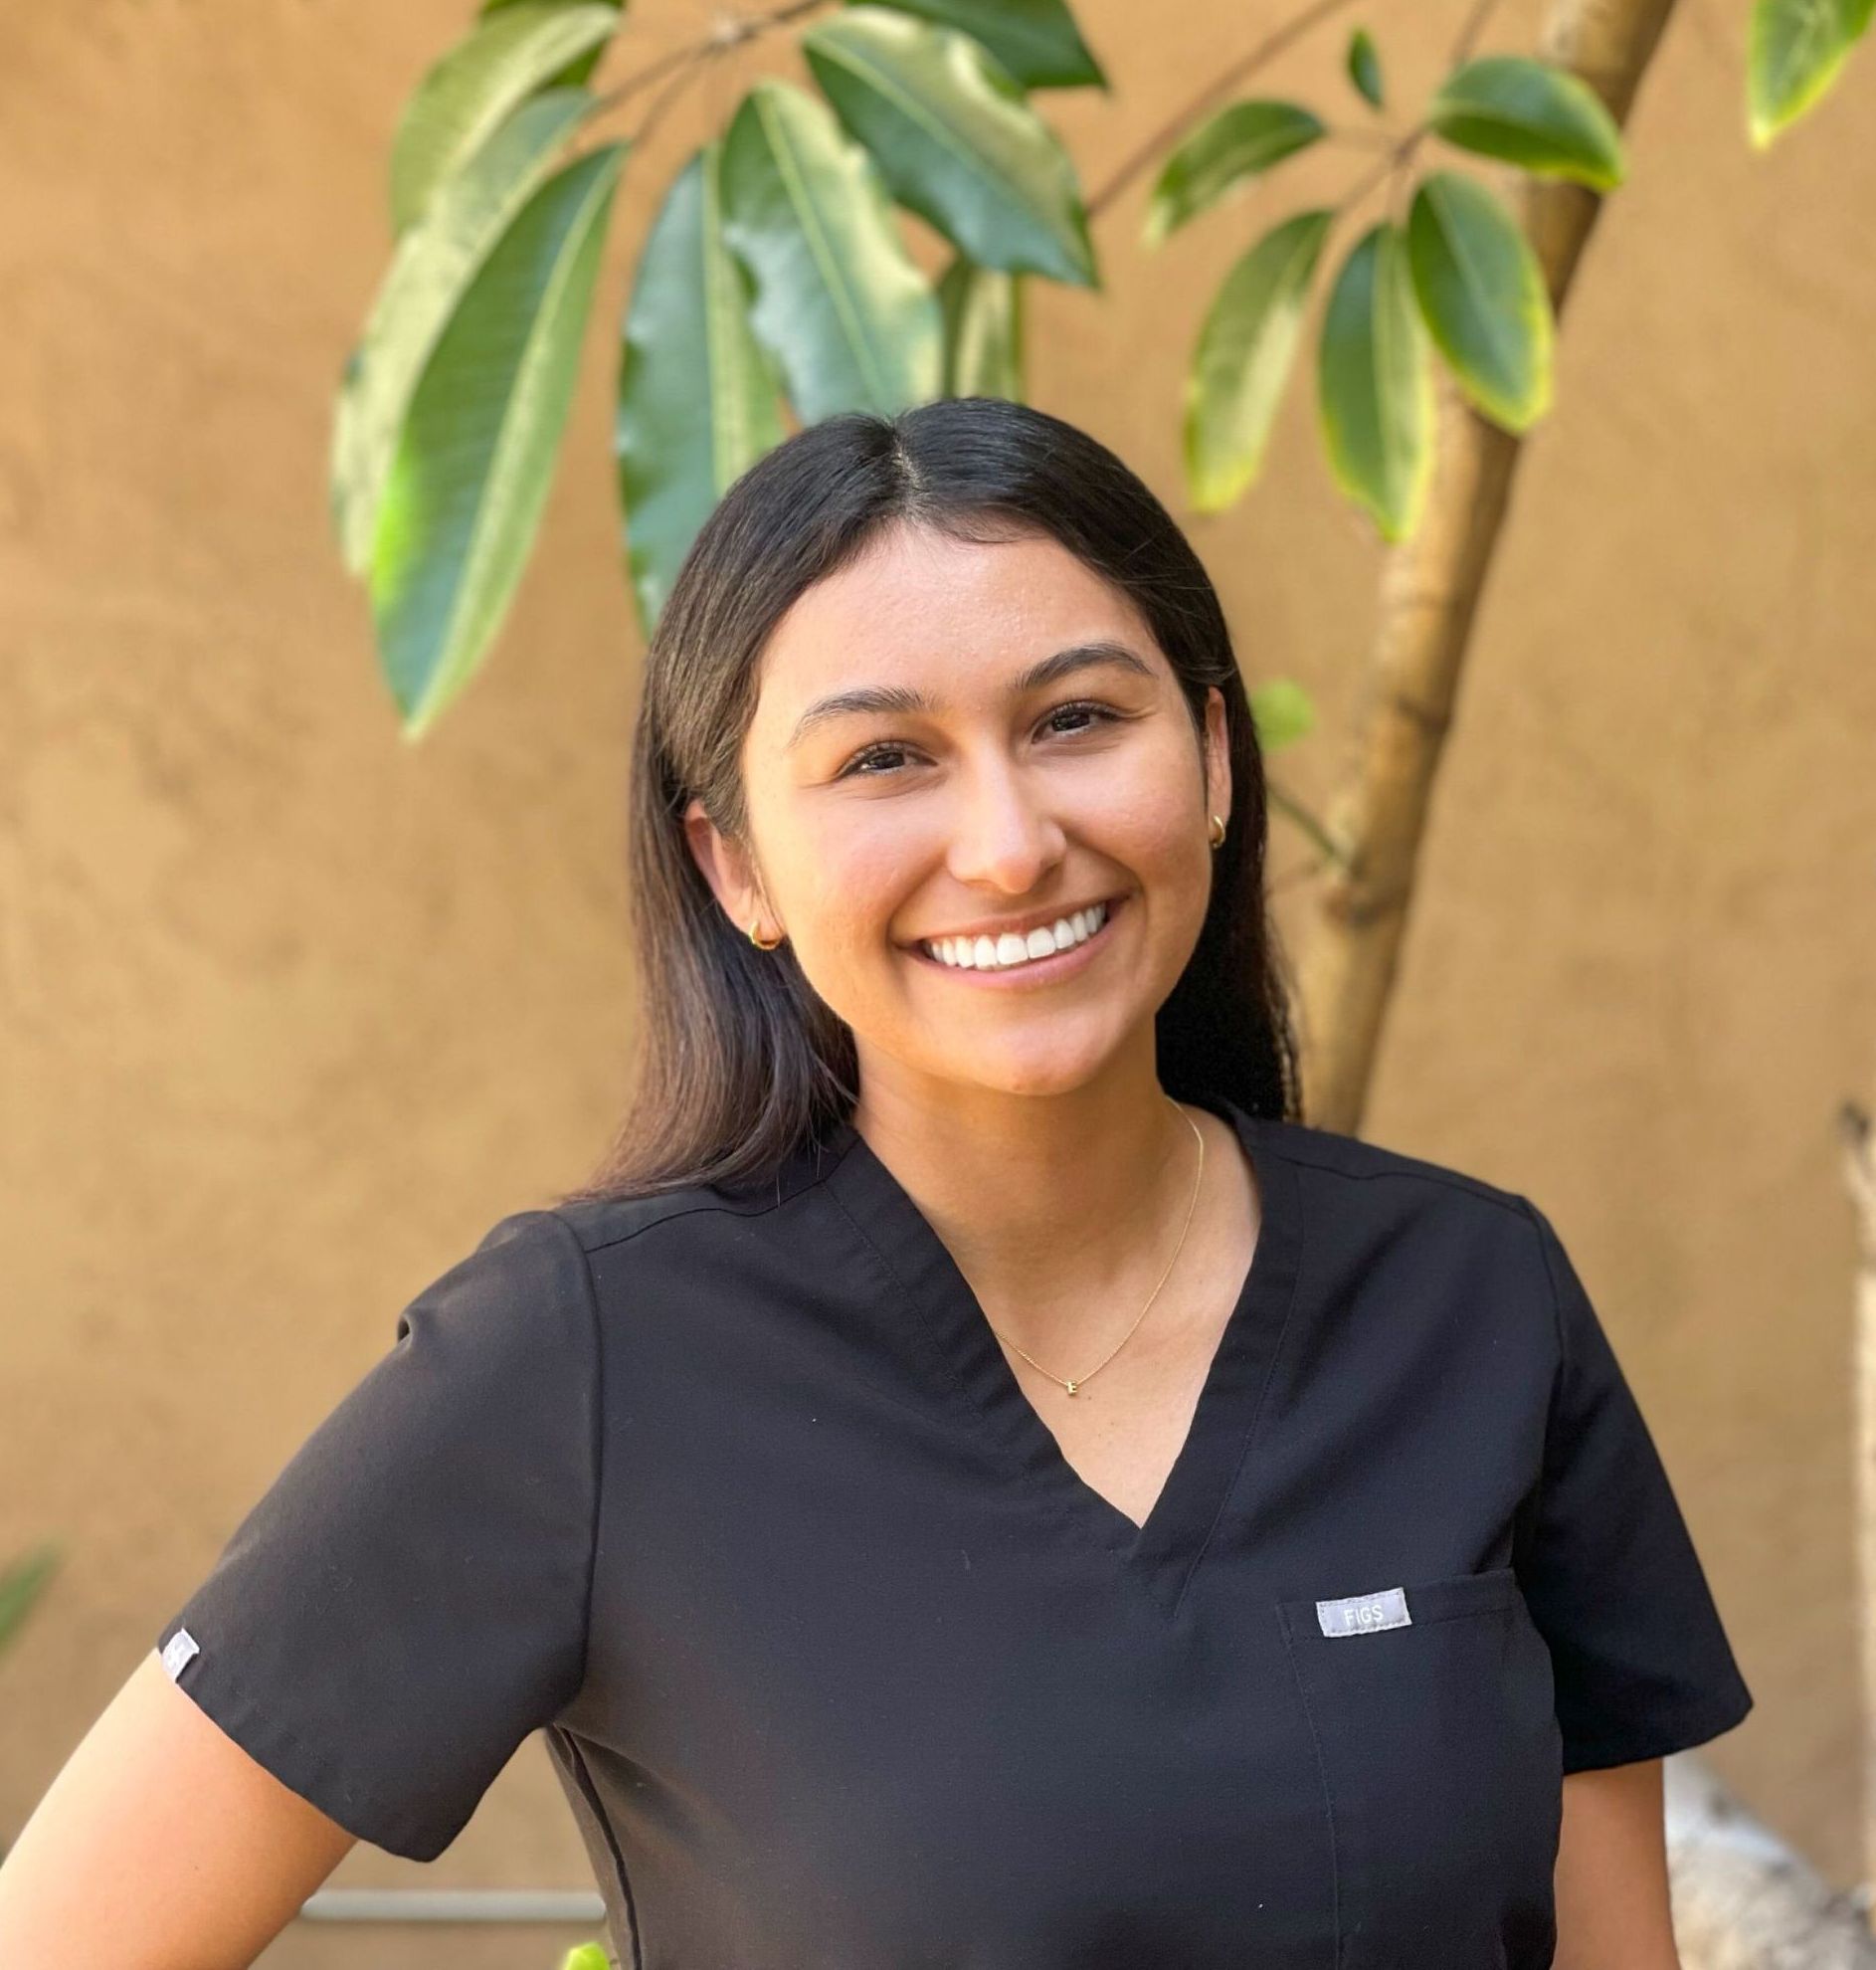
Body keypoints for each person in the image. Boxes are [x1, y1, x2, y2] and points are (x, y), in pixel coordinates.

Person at [0, 399, 1752, 1969]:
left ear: (1212, 758)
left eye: (1077, 718)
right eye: (883, 758)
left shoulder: (1469, 1299)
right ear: (735, 868)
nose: (1007, 843)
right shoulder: (583, 1360)